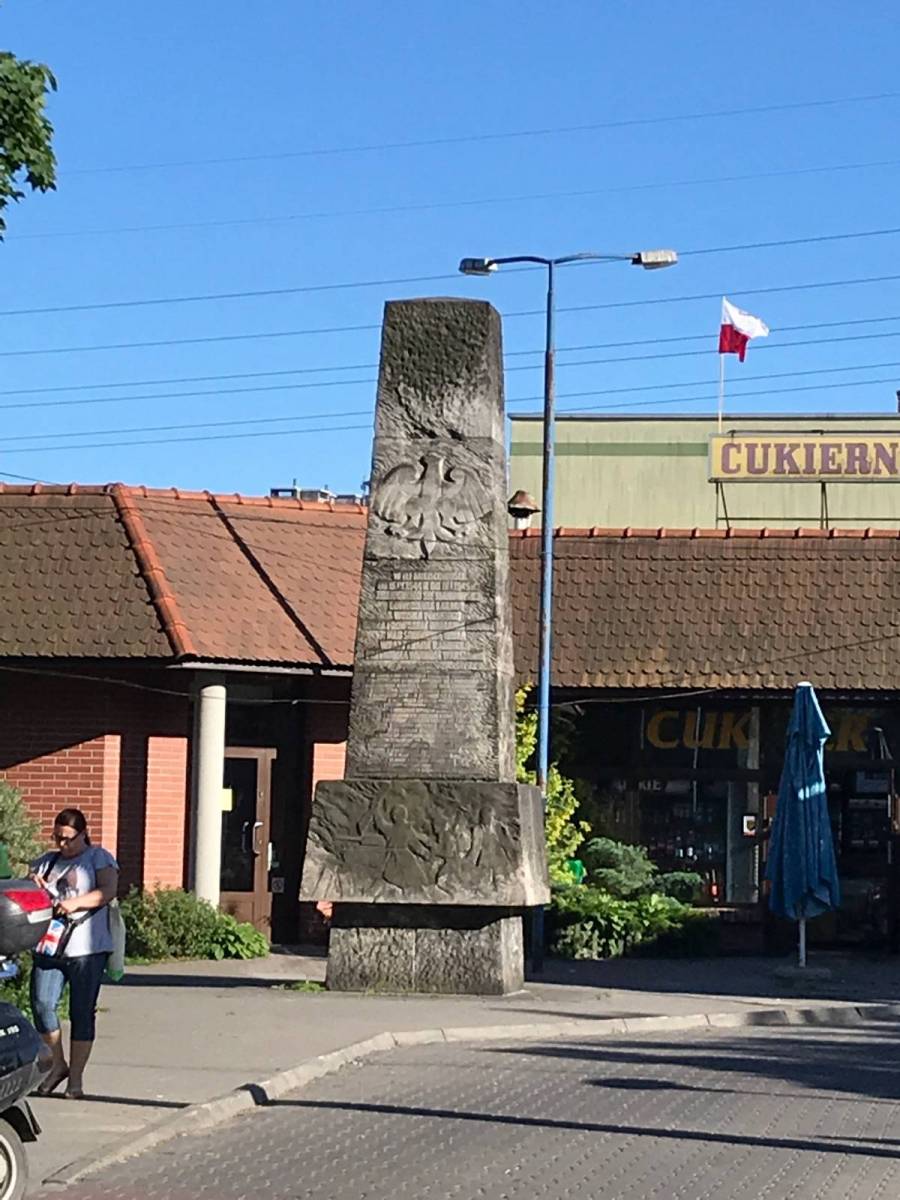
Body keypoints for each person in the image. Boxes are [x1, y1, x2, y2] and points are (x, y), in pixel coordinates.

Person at [29, 808, 119, 1099]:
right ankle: (57, 1064)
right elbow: (29, 896)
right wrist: (33, 886)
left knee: (81, 1011)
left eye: (68, 838)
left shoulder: (98, 858)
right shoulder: (47, 861)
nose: (63, 844)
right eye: (58, 838)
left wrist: (75, 903)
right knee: (42, 1004)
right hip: (50, 945)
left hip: (86, 948)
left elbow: (108, 890)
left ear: (83, 834)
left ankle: (76, 1079)